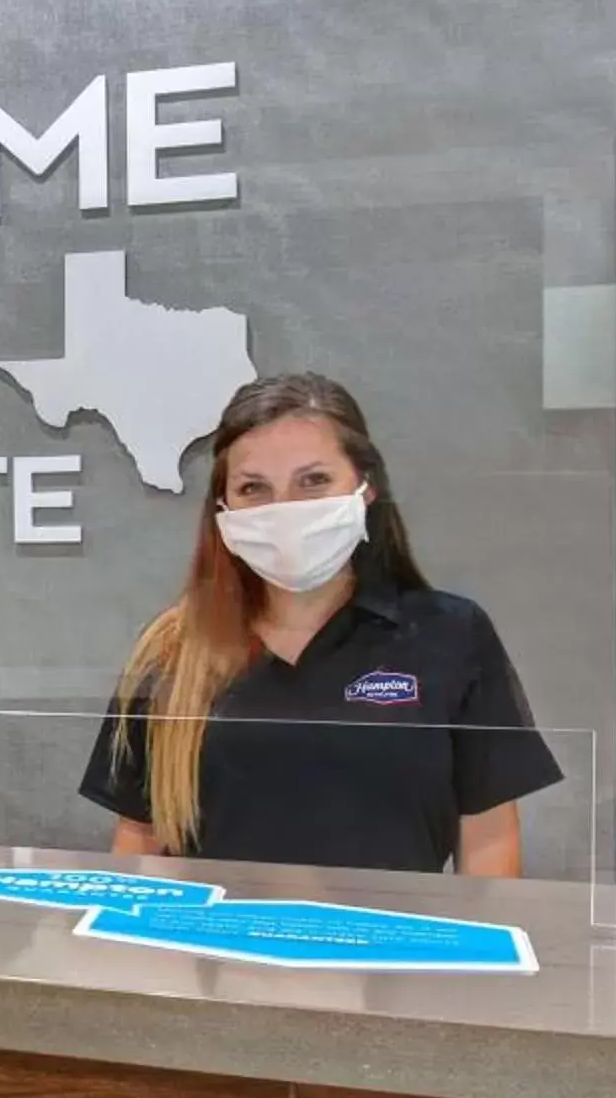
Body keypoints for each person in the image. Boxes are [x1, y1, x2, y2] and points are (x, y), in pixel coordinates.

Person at [81, 373, 560, 877]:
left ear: (365, 486)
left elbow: (486, 835)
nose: (285, 509)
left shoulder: (449, 634)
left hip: (392, 950)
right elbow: (140, 838)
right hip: (218, 950)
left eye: (313, 481)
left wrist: (477, 946)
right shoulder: (171, 650)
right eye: (253, 488)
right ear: (222, 510)